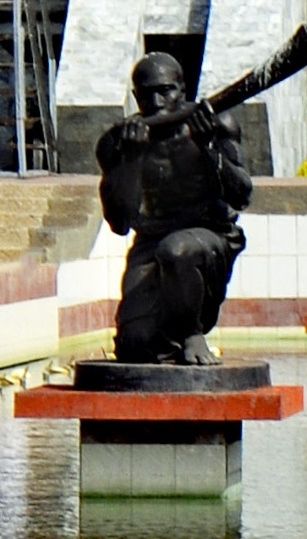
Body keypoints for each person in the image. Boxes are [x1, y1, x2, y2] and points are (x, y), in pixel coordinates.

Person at [97, 51, 253, 364]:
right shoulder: (117, 141)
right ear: (135, 96)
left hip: (210, 234)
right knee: (135, 347)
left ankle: (192, 333)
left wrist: (209, 149)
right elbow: (119, 223)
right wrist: (131, 161)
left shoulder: (216, 124)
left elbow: (241, 196)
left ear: (182, 90)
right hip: (151, 240)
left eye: (165, 91)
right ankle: (170, 342)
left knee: (177, 249)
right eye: (146, 94)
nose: (155, 102)